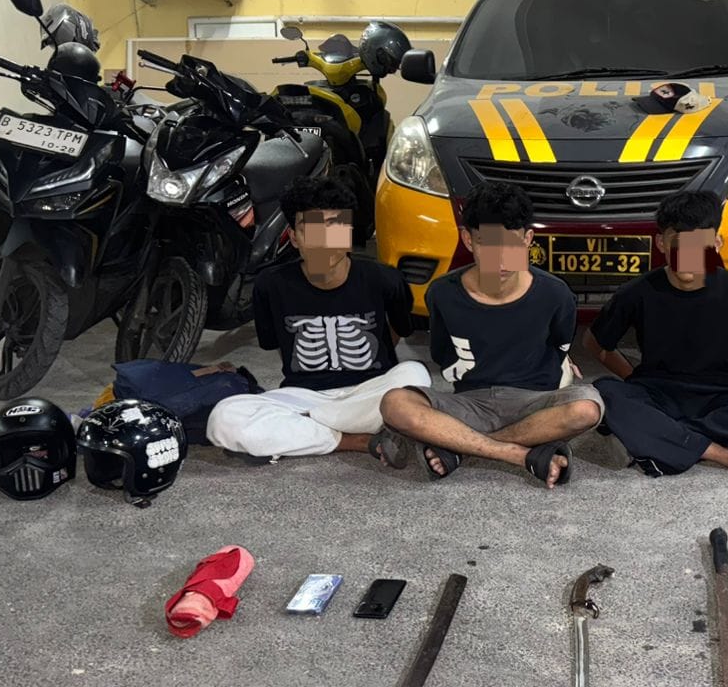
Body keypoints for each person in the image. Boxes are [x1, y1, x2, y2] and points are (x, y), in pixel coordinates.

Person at [379, 182, 603, 488]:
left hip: (536, 402)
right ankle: (519, 453)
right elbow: (443, 353)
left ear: (528, 240)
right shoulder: (443, 293)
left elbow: (559, 344)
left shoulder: (555, 293)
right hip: (471, 402)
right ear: (468, 240)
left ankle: (459, 447)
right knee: (395, 403)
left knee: (587, 408)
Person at [206, 179, 429, 464]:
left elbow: (398, 330)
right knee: (224, 417)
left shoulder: (385, 279)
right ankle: (354, 439)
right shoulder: (270, 285)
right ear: (294, 237)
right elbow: (276, 343)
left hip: (371, 393)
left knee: (415, 374)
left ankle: (307, 430)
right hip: (305, 396)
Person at [584, 190, 728, 481]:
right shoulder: (637, 292)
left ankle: (663, 438)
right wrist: (632, 376)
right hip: (656, 393)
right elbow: (594, 342)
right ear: (661, 242)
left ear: (717, 243)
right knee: (604, 392)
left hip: (718, 397)